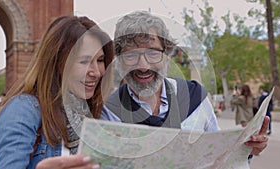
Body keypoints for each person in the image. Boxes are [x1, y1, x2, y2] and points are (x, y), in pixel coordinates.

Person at [101, 10, 269, 157]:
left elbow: (218, 155)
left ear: (167, 55)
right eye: (131, 56)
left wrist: (248, 150)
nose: (143, 66)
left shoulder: (195, 98)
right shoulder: (109, 111)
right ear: (120, 62)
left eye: (152, 53)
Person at [0, 15, 113, 169]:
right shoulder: (23, 110)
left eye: (100, 60)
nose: (96, 71)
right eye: (84, 61)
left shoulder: (103, 115)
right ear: (56, 61)